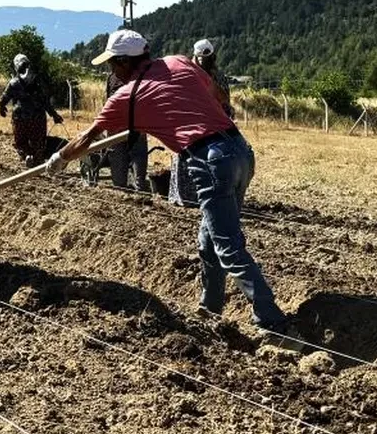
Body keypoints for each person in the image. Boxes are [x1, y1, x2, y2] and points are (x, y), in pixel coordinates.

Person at [46, 29, 301, 348]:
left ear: (125, 62)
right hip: (239, 150)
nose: (112, 71)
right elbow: (218, 96)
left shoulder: (128, 96)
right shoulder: (179, 62)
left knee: (227, 245)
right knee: (209, 241)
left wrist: (59, 157)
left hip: (209, 161)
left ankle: (273, 322)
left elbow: (88, 137)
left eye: (113, 64)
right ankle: (210, 309)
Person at [170, 39, 233, 207]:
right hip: (215, 126)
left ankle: (188, 197)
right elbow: (226, 103)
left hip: (197, 126)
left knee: (188, 159)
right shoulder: (219, 76)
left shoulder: (191, 75)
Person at [0, 53, 63, 166]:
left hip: (19, 117)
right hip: (37, 118)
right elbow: (45, 101)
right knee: (38, 142)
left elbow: (4, 98)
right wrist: (54, 115)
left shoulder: (14, 83)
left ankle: (27, 155)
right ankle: (38, 162)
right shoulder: (37, 82)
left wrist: (2, 107)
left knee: (20, 142)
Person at [104, 67, 149, 191]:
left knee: (119, 153)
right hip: (136, 122)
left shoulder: (112, 77)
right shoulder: (141, 75)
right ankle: (138, 186)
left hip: (119, 123)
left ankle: (120, 187)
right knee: (138, 153)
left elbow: (108, 101)